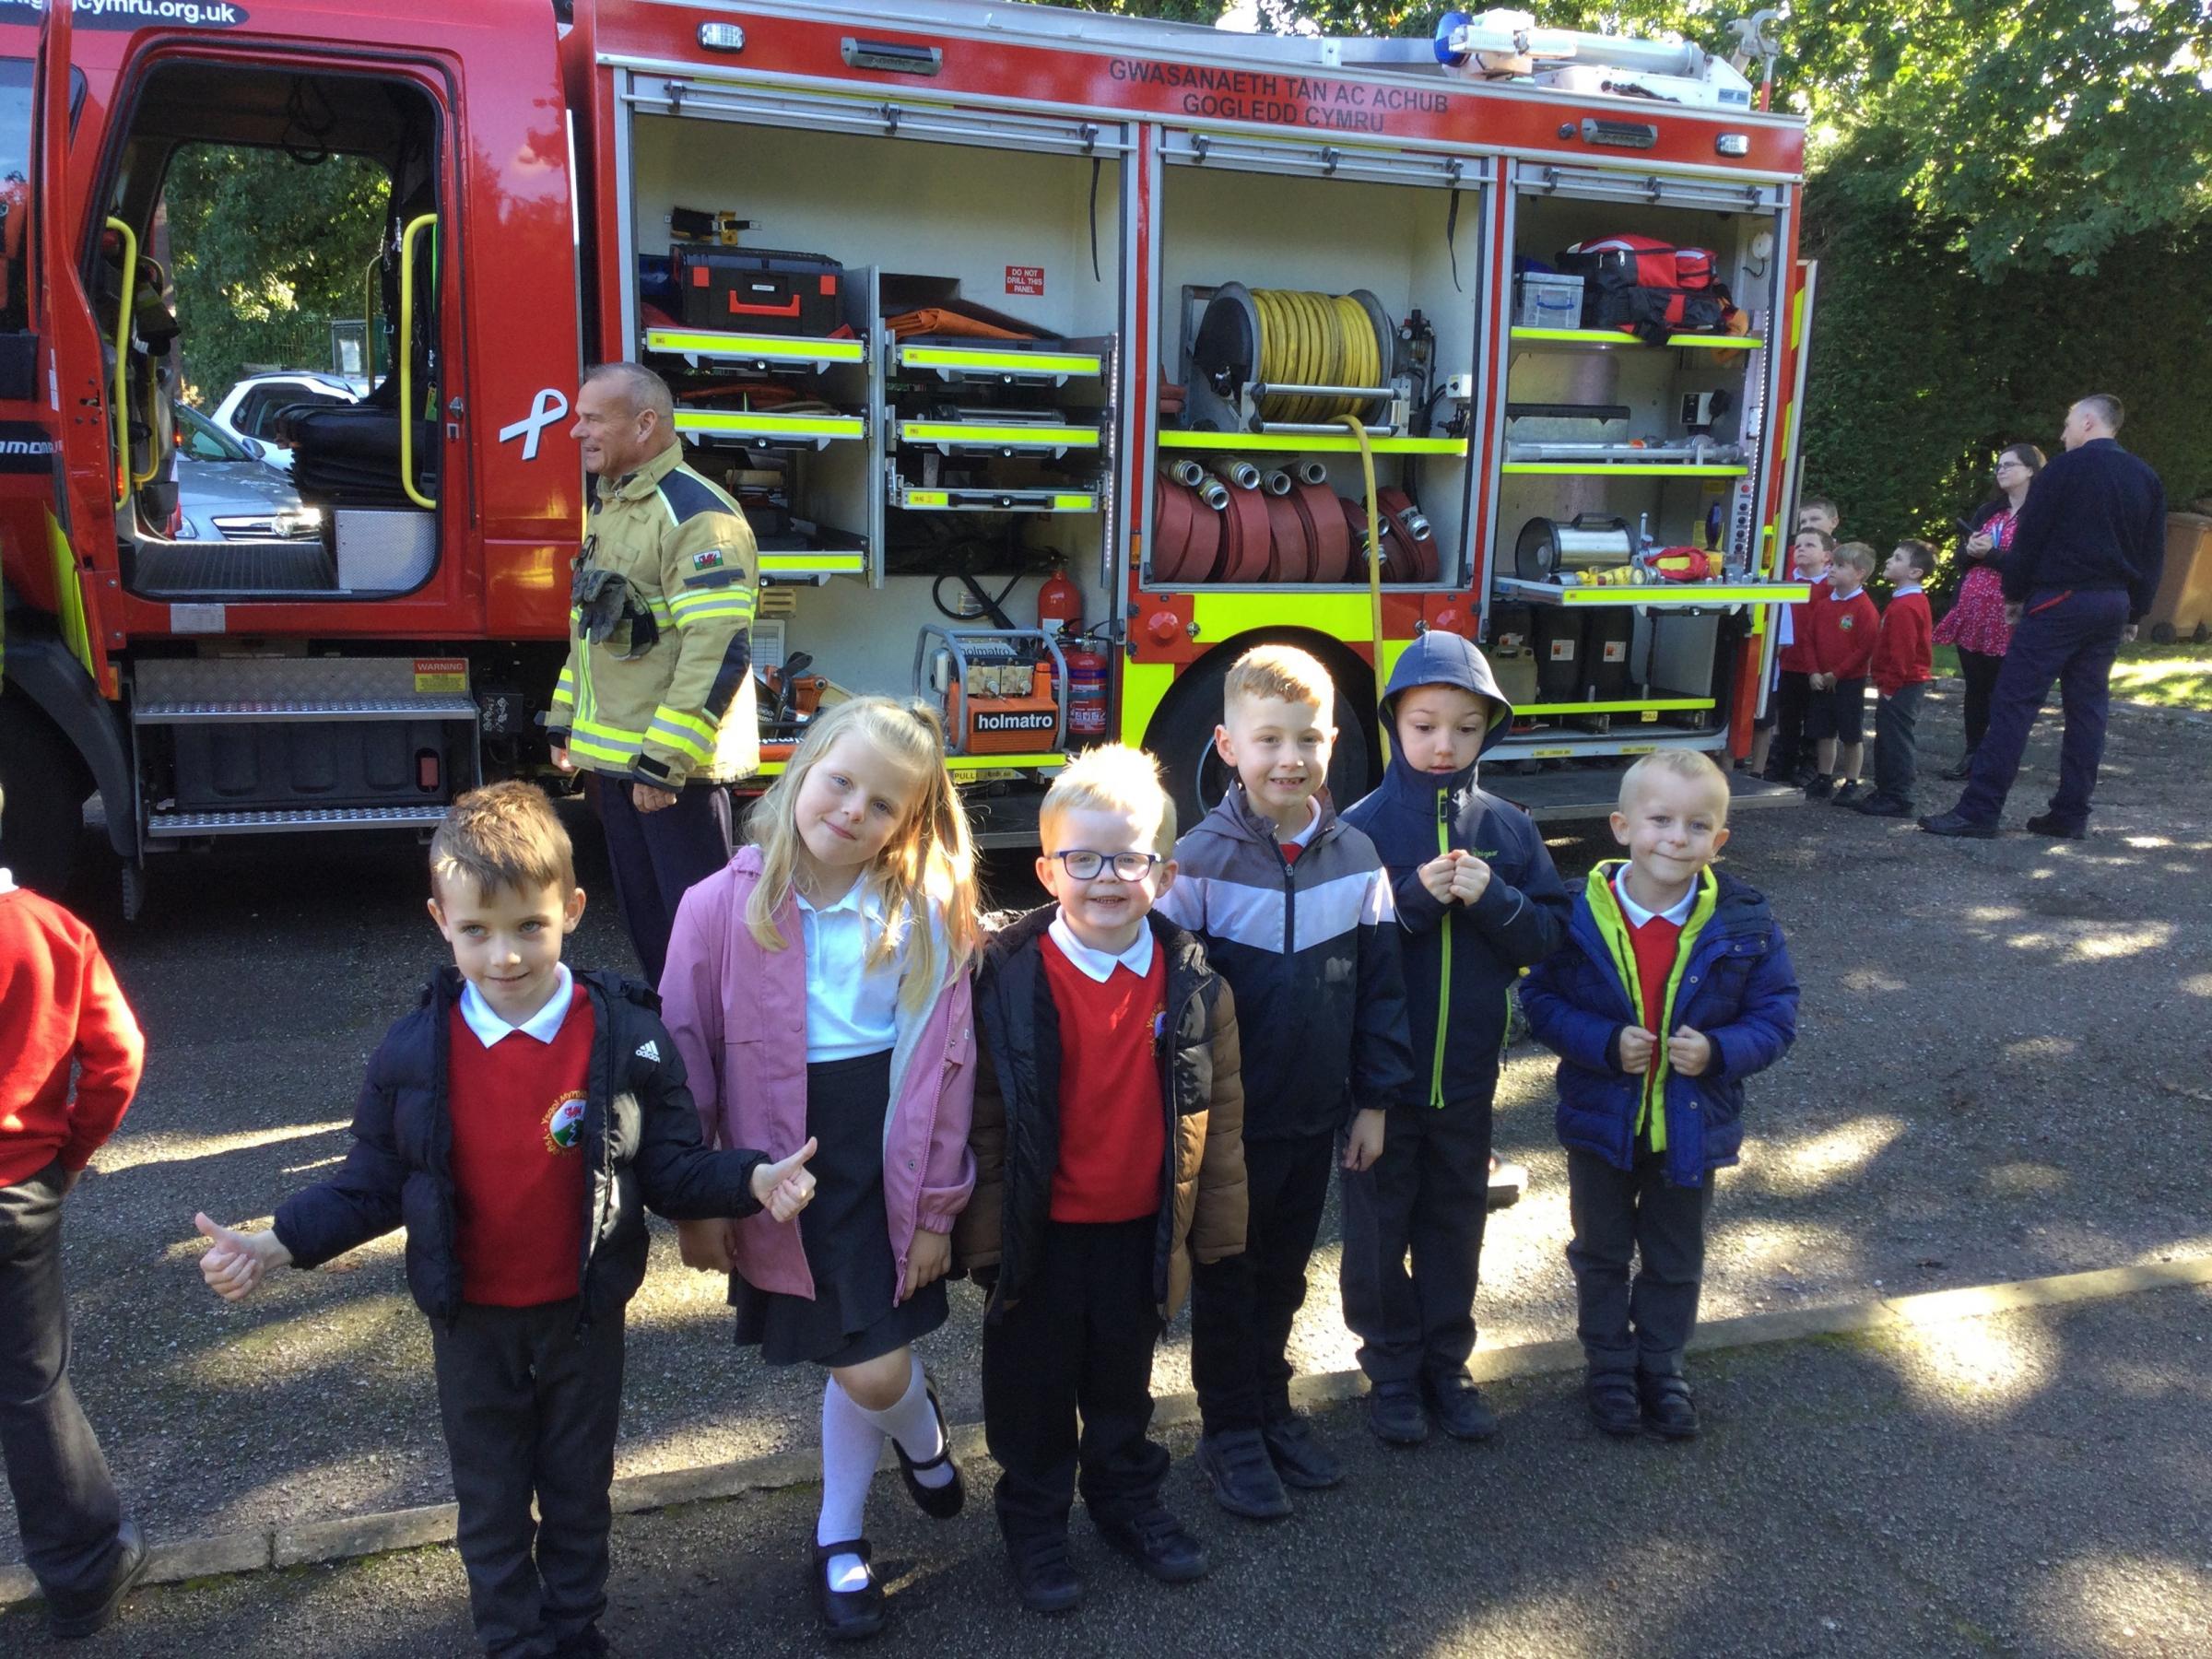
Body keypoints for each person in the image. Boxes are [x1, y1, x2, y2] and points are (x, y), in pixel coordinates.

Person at [192, 782, 812, 1659]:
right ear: (440, 920)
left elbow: (670, 1166)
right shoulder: (413, 1053)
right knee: (488, 1499)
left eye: (530, 926)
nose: (506, 955)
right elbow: (369, 1184)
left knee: (577, 1491)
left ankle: (574, 1628)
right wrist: (274, 1241)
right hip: (471, 1323)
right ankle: (513, 1640)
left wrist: (751, 1180)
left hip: (581, 1315)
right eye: (476, 930)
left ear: (572, 909)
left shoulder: (628, 1038)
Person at [659, 698, 979, 1641]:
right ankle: (907, 1461)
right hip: (778, 1174)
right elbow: (685, 1061)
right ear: (802, 769)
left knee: (863, 1365)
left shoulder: (924, 912)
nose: (852, 810)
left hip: (887, 1164)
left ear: (909, 824)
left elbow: (946, 1070)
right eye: (840, 781)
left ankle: (855, 1517)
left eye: (883, 804)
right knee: (864, 1366)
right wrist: (699, 1198)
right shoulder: (717, 907)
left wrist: (937, 1213)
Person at [955, 745, 1247, 1614]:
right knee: (1032, 1390)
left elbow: (1217, 1110)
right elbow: (979, 1116)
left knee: (1122, 1382)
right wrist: (982, 1238)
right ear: (1048, 868)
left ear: (1164, 870)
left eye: (1130, 858)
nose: (1108, 878)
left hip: (1140, 1228)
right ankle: (1036, 1520)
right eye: (1085, 859)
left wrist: (1217, 1230)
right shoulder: (1007, 978)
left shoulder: (1193, 980)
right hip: (1039, 1237)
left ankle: (1128, 1501)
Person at [1155, 643, 1415, 1521]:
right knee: (1229, 1278)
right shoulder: (1195, 864)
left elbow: (1382, 990)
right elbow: (1163, 1004)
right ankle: (1228, 1431)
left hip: (1313, 1117)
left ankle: (1271, 1407)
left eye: (1306, 739)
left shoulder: (1360, 858)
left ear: (1334, 741)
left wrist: (1373, 1100)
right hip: (1227, 1125)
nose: (1289, 759)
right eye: (1268, 740)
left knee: (1287, 1275)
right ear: (1227, 745)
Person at [1521, 752, 1798, 1441]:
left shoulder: (1745, 921)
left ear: (1720, 840)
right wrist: (1603, 1041)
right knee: (1601, 1250)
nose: (1676, 838)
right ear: (1621, 827)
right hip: (1601, 1124)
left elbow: (1776, 1015)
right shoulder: (1579, 916)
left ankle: (1662, 1364)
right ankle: (1610, 1366)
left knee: (1676, 1256)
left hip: (1692, 1127)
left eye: (1697, 825)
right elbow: (1539, 998)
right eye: (1660, 820)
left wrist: (1721, 1052)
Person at [1335, 633, 1570, 1446]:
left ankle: (1447, 1363)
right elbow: (1340, 954)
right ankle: (1390, 1371)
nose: (1444, 744)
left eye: (1466, 728)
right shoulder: (1357, 830)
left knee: (1454, 1224)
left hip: (1467, 1080)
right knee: (1375, 1234)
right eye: (1426, 724)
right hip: (1381, 1091)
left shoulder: (1508, 828)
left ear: (1489, 733)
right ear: (1395, 721)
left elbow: (1545, 938)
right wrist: (1410, 901)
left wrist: (1496, 897)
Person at [547, 360, 760, 984]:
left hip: (671, 778)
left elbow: (717, 648)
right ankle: (677, 1059)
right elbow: (593, 630)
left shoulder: (697, 516)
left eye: (592, 419)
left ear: (645, 424)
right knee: (653, 933)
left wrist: (664, 764)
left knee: (706, 948)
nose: (576, 432)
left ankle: (726, 1066)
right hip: (624, 771)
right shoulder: (614, 504)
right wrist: (566, 723)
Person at [0, 785, 150, 1641]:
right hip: (19, 1189)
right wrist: (67, 1157)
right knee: (32, 1387)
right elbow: (117, 1056)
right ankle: (83, 1576)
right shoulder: (49, 930)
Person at [1924, 394, 2167, 840]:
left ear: (2089, 422)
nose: (2062, 433)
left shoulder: (2063, 470)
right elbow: (2152, 552)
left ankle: (1980, 809)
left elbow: (2032, 537)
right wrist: (2136, 608)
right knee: (2088, 710)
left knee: (2013, 703)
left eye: (2068, 423)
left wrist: (2014, 593)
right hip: (2111, 603)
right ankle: (2071, 814)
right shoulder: (2145, 476)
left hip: (2060, 599)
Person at [1933, 444, 2043, 780]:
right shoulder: (1989, 511)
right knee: (1976, 688)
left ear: (2031, 470)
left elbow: (2032, 567)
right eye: (1998, 465)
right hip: (1974, 611)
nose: (2000, 470)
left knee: (2005, 690)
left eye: (2009, 465)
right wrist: (1970, 551)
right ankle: (1972, 754)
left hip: (2011, 614)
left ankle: (1998, 759)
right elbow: (1962, 563)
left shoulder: (2040, 515)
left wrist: (1992, 554)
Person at [1855, 540, 1937, 818]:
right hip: (1899, 683)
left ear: (1915, 572)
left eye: (1898, 558)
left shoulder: (1906, 606)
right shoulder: (1905, 601)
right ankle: (1886, 790)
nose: (1890, 560)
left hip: (1902, 684)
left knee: (1895, 739)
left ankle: (1898, 796)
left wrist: (1890, 685)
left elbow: (1904, 651)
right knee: (1888, 736)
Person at [1803, 542, 1879, 804]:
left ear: (1859, 573)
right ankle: (1824, 777)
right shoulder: (1824, 605)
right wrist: (1814, 671)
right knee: (1824, 731)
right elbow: (1809, 639)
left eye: (1839, 566)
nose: (1831, 570)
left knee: (1850, 733)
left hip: (1848, 681)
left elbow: (1864, 647)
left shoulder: (1864, 608)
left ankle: (1850, 781)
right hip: (1821, 678)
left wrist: (1838, 672)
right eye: (1832, 564)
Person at [1759, 527, 1835, 786]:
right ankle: (1783, 763)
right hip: (1789, 662)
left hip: (1817, 667)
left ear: (1827, 555)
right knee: (1787, 718)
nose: (1801, 549)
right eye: (1799, 545)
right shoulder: (1785, 582)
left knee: (1815, 720)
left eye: (1810, 545)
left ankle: (1810, 766)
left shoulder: (1830, 587)